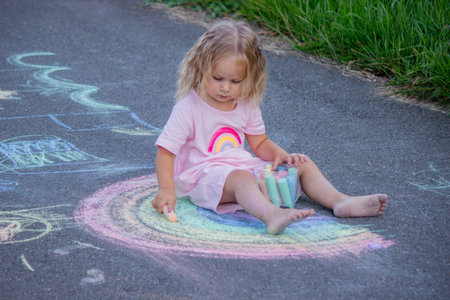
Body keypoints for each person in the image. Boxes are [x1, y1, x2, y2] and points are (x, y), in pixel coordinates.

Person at [152, 20, 387, 234]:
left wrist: (279, 155)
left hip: (240, 169)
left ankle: (339, 201)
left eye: (235, 82)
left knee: (301, 163)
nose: (225, 88)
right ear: (201, 68)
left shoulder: (245, 104)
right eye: (217, 78)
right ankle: (271, 214)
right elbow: (166, 152)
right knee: (242, 179)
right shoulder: (189, 108)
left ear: (251, 78)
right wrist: (166, 189)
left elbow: (259, 143)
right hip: (202, 178)